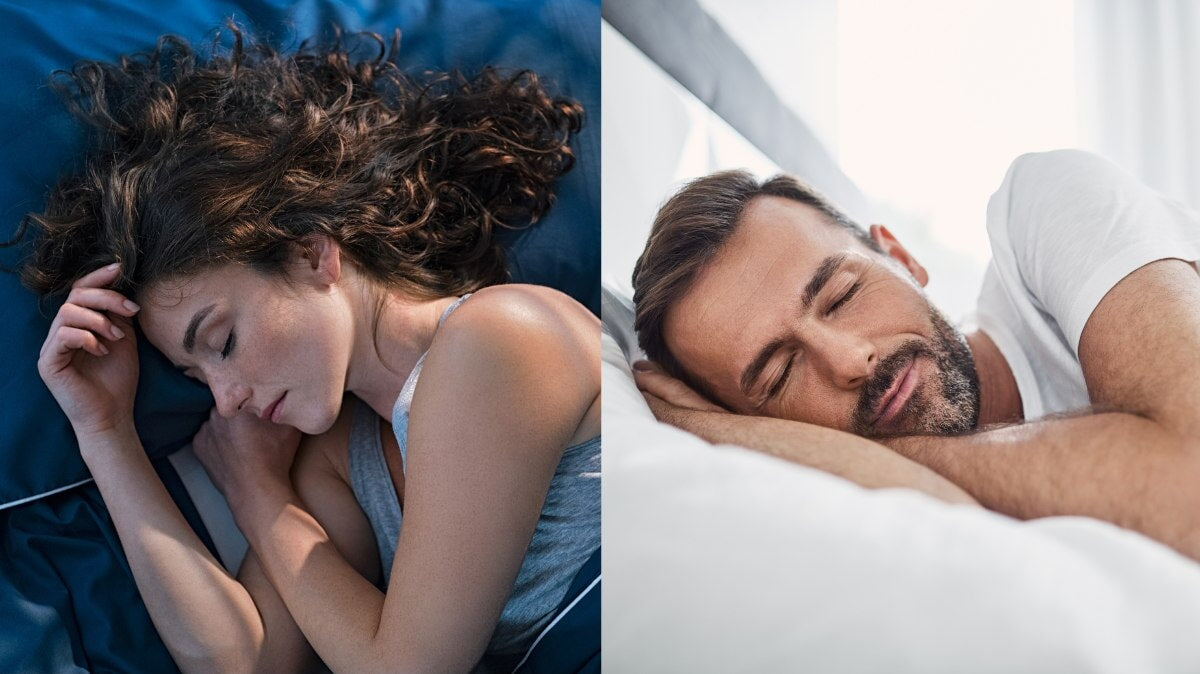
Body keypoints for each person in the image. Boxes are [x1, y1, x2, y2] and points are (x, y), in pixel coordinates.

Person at [15, 25, 600, 673]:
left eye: (223, 342)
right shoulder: (340, 457)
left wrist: (257, 495)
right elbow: (240, 661)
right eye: (194, 375)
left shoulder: (500, 336)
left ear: (311, 254)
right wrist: (105, 433)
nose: (226, 400)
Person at [630, 149, 1200, 561]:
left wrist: (863, 453)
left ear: (901, 257)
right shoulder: (874, 542)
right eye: (780, 375)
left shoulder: (1048, 202)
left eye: (842, 296)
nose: (850, 361)